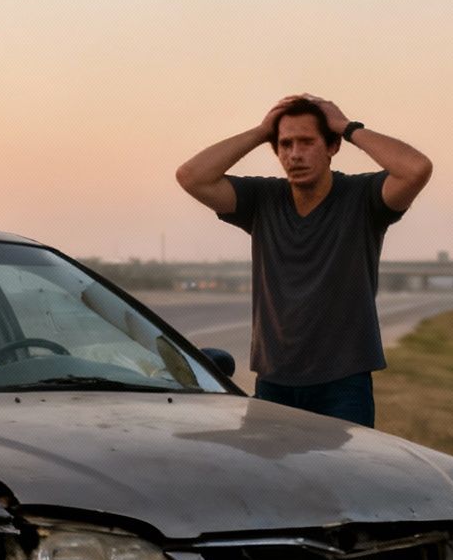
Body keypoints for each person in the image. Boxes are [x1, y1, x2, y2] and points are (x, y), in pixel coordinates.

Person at [174, 94, 432, 427]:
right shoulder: (263, 200)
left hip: (343, 384)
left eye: (307, 142)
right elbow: (191, 176)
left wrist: (346, 126)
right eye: (285, 144)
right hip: (274, 380)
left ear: (332, 146)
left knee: (342, 479)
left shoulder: (362, 198)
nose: (295, 154)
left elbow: (416, 169)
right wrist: (261, 130)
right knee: (275, 480)